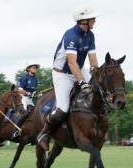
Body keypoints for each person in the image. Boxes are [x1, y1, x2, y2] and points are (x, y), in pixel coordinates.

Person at [37, 4, 101, 151]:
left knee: (96, 91)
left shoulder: (90, 35)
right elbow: (71, 63)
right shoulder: (71, 35)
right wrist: (82, 83)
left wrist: (95, 71)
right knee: (63, 109)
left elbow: (92, 58)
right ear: (84, 20)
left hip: (79, 68)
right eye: (93, 18)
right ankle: (44, 132)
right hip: (62, 74)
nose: (95, 21)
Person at [12, 63, 40, 138]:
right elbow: (18, 90)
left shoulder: (35, 79)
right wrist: (28, 93)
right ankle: (15, 131)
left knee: (35, 113)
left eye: (36, 67)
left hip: (30, 100)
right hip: (22, 98)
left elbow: (34, 91)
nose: (35, 68)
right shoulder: (24, 78)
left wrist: (36, 95)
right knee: (23, 113)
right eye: (33, 67)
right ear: (28, 69)